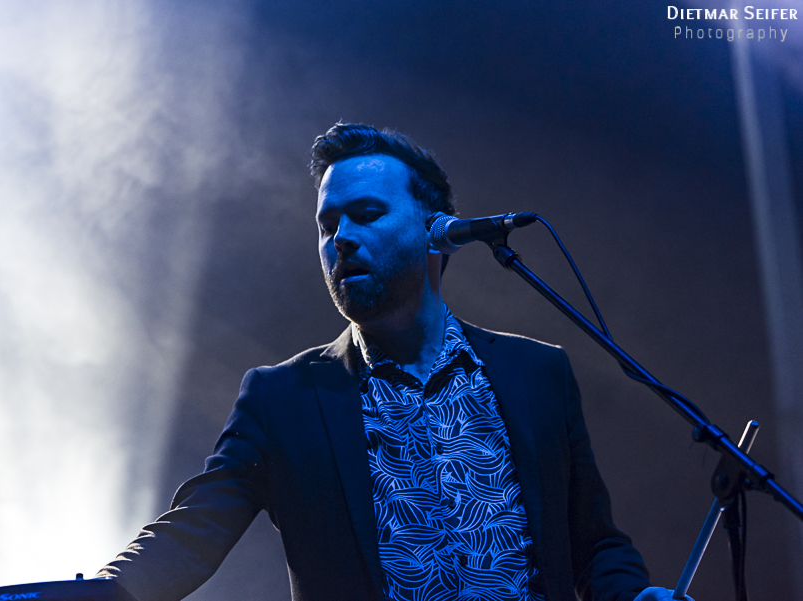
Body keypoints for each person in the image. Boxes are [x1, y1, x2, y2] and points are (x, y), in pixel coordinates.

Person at [96, 123, 690, 601]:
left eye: (366, 213)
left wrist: (633, 595)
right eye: (327, 224)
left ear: (436, 231)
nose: (340, 238)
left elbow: (594, 544)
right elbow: (192, 532)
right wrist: (93, 594)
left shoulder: (536, 374)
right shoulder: (282, 399)